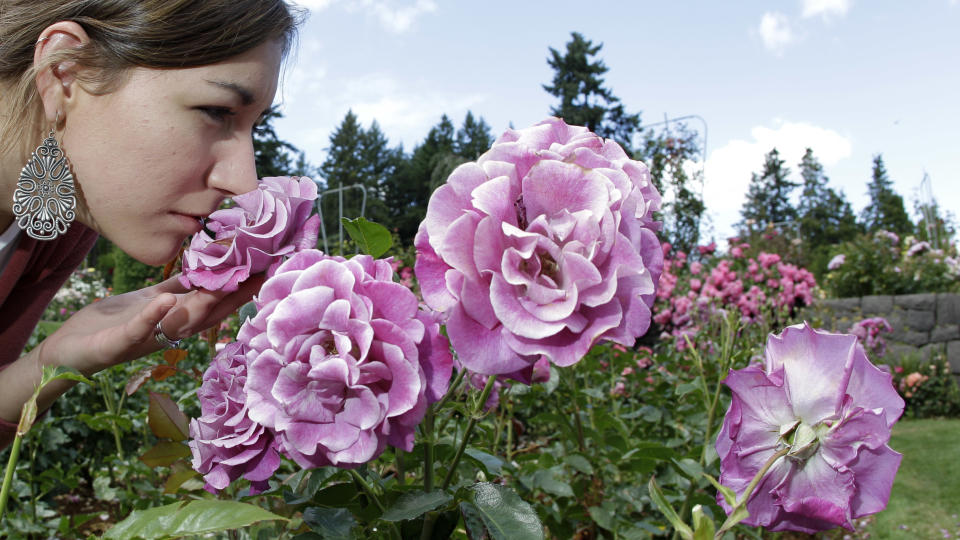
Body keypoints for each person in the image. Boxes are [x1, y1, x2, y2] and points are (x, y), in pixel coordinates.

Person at [0, 0, 303, 450]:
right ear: (65, 71)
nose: (242, 180)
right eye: (217, 111)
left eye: (252, 126)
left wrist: (49, 362)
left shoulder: (63, 212)